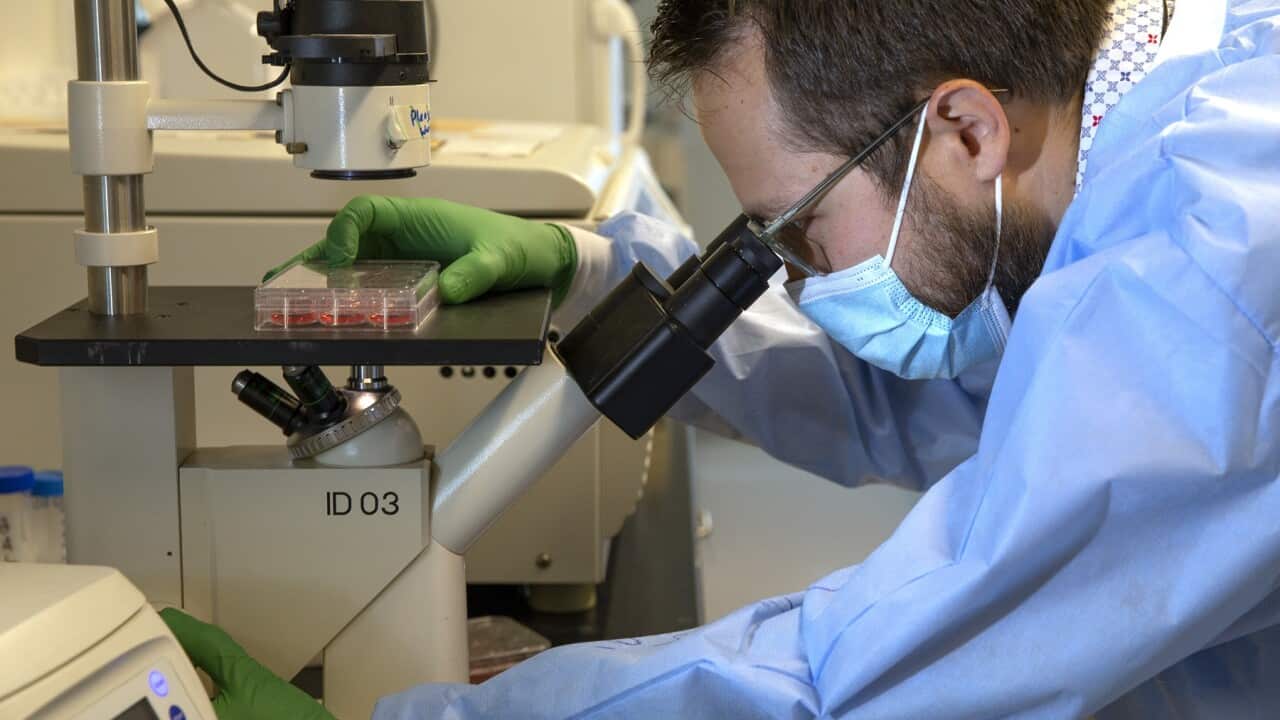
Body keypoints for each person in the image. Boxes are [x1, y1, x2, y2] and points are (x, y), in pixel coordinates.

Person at [163, 0, 1280, 717]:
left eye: (799, 231)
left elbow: (869, 671)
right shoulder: (1158, 140)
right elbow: (957, 405)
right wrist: (596, 273)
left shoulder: (1216, 266)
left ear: (966, 130)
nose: (797, 277)